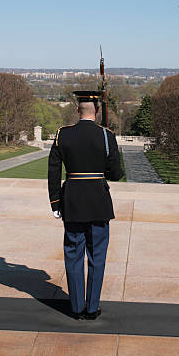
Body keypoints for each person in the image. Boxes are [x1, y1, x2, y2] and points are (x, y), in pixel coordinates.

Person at [48, 91, 123, 320]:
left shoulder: (64, 134)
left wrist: (55, 201)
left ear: (77, 109)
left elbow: (53, 171)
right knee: (97, 256)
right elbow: (116, 174)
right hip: (99, 202)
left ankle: (77, 307)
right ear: (97, 111)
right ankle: (92, 309)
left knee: (73, 255)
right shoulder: (105, 135)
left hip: (72, 202)